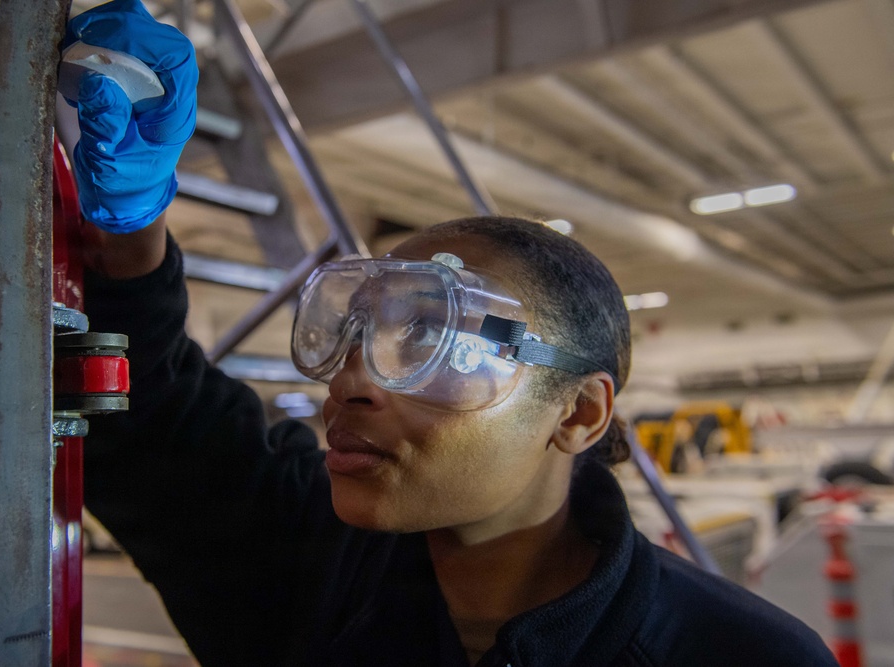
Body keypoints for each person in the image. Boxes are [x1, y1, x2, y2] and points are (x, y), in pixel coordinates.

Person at [65, 2, 840, 665]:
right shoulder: (303, 553)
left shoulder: (740, 653)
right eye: (355, 329)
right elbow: (151, 410)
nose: (351, 380)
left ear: (576, 413)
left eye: (434, 338)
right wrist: (133, 231)